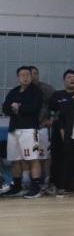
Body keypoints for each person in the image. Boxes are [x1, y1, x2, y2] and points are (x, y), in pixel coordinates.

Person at [2, 66, 44, 197]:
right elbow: (5, 108)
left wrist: (17, 107)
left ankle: (36, 187)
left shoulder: (36, 92)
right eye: (22, 75)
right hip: (14, 129)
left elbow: (33, 109)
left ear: (31, 77)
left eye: (27, 74)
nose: (25, 77)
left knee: (33, 158)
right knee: (15, 159)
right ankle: (17, 186)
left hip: (31, 130)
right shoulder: (13, 91)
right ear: (18, 77)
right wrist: (15, 108)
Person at [47, 69, 74, 197]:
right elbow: (51, 111)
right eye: (69, 77)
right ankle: (55, 184)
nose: (72, 79)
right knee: (57, 158)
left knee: (73, 158)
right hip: (58, 132)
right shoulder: (57, 95)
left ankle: (72, 184)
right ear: (64, 80)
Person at [29, 66, 55, 194]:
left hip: (43, 128)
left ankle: (47, 182)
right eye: (30, 74)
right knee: (31, 157)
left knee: (45, 157)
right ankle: (32, 184)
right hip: (27, 129)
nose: (33, 76)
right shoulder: (23, 90)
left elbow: (58, 106)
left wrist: (52, 119)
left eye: (35, 73)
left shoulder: (46, 89)